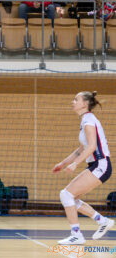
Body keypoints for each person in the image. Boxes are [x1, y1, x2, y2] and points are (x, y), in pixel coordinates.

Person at [52, 91, 114, 245]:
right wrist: (63, 163)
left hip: (101, 164)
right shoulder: (85, 120)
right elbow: (81, 149)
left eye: (76, 99)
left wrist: (75, 164)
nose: (73, 102)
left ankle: (76, 234)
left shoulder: (89, 120)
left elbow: (92, 146)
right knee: (71, 197)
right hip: (97, 164)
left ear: (84, 104)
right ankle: (103, 221)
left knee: (66, 195)